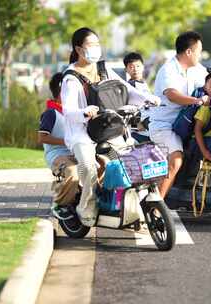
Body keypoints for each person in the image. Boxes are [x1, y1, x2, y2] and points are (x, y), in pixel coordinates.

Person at [61, 27, 160, 225]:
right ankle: (86, 206)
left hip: (107, 126)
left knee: (134, 157)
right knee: (89, 168)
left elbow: (128, 91)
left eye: (98, 44)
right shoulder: (71, 78)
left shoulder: (103, 69)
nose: (96, 49)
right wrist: (84, 112)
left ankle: (129, 203)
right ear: (79, 49)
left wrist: (147, 98)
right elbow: (68, 111)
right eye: (91, 45)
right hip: (81, 133)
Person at [149, 31, 209, 199]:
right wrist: (197, 101)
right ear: (189, 52)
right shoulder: (168, 70)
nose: (200, 55)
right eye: (199, 51)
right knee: (176, 160)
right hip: (165, 126)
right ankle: (155, 205)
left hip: (184, 125)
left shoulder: (195, 69)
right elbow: (172, 95)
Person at [38, 72, 79, 220]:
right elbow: (42, 137)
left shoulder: (74, 111)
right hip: (57, 155)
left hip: (77, 151)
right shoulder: (51, 113)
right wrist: (66, 141)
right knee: (73, 172)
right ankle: (60, 204)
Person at [123, 52, 151, 142]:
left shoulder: (143, 84)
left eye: (138, 66)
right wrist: (137, 124)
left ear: (143, 67)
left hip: (148, 129)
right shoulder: (129, 86)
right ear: (126, 70)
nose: (135, 69)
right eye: (131, 67)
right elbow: (127, 108)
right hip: (138, 132)